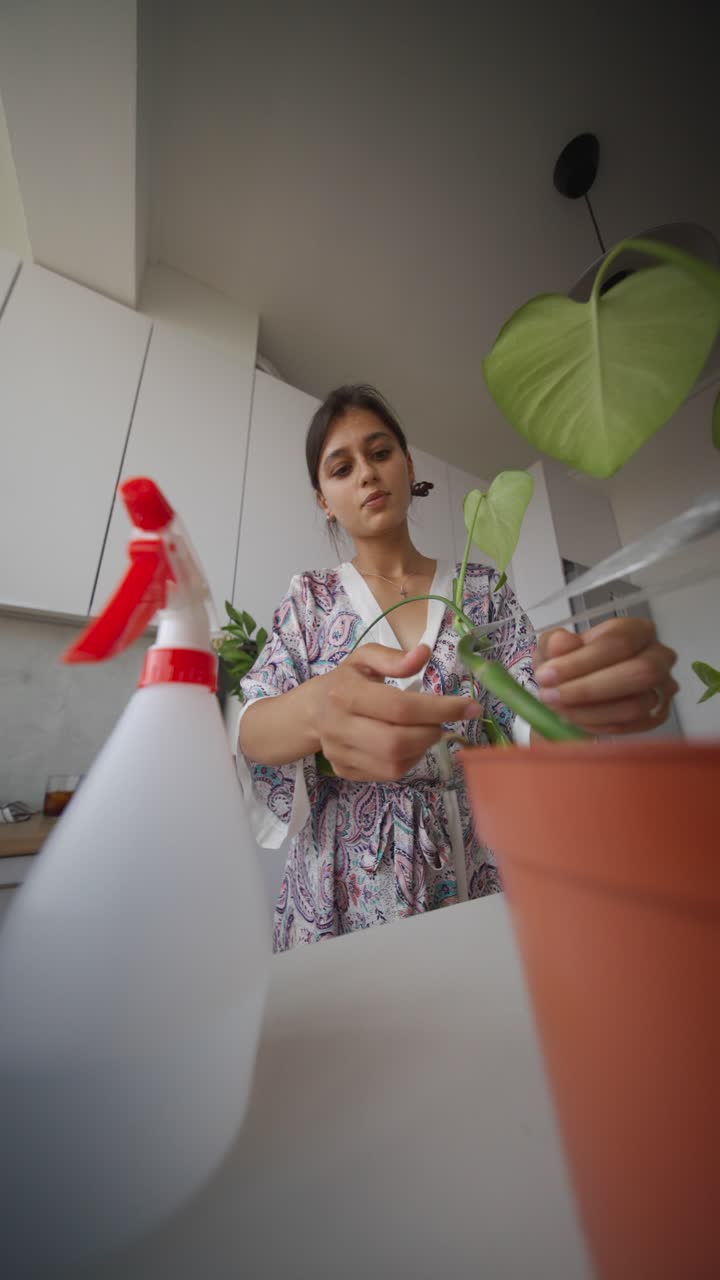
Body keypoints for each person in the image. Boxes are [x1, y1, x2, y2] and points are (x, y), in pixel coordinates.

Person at [237, 385, 678, 951]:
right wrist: (317, 710)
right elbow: (251, 726)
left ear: (407, 463)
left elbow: (528, 714)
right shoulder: (310, 600)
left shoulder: (481, 589)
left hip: (474, 859)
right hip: (342, 881)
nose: (368, 475)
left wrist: (576, 692)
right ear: (324, 499)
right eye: (342, 468)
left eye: (380, 453)